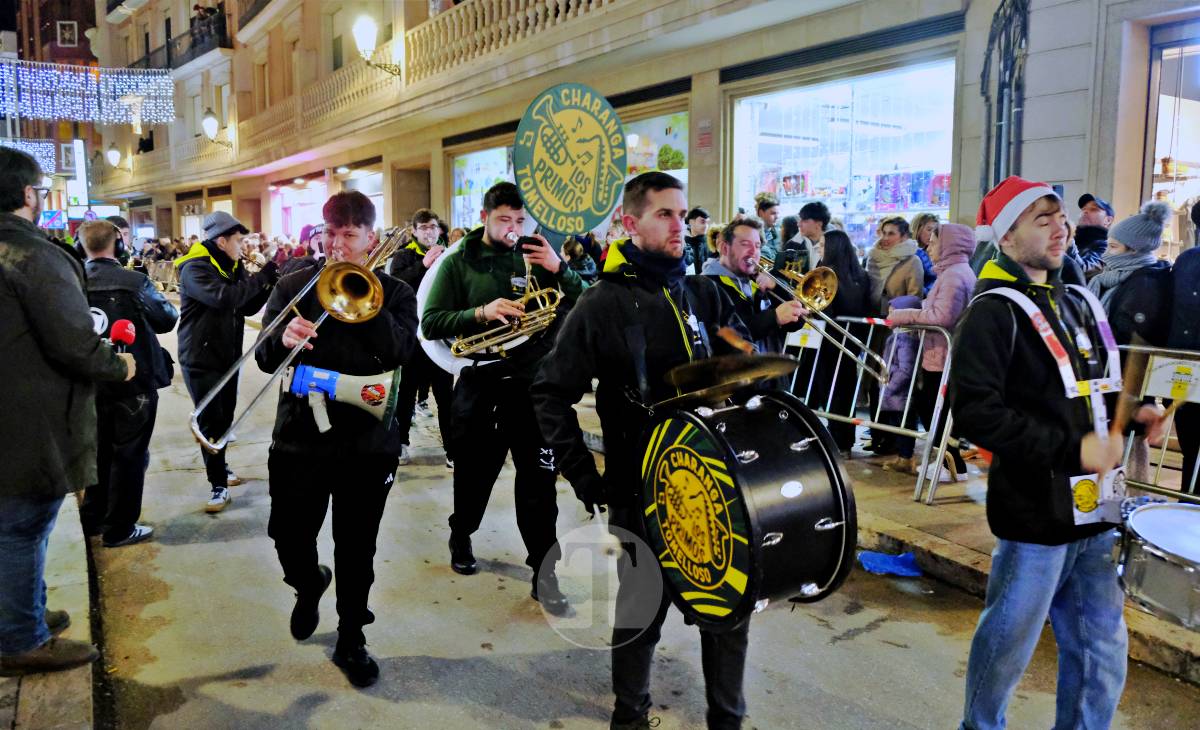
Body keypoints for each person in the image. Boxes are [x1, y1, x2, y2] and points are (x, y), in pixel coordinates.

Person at [532, 171, 748, 730]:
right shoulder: (600, 304)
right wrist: (586, 477)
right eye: (664, 215)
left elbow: (744, 362)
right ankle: (629, 718)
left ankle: (727, 720)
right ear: (631, 223)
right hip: (640, 490)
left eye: (683, 214)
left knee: (727, 611)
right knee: (638, 613)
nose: (681, 226)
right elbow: (551, 393)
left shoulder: (700, 291)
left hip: (711, 489)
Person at [950, 176, 1163, 730]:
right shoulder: (992, 311)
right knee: (1008, 643)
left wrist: (1135, 414)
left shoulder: (1080, 300)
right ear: (1007, 236)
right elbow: (976, 413)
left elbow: (1098, 387)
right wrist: (1073, 448)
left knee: (1101, 647)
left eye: (1060, 215)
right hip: (1035, 515)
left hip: (1097, 509)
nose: (1060, 226)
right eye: (1041, 218)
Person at [256, 191, 417, 688]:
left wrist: (365, 302)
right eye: (332, 234)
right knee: (288, 535)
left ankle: (353, 636)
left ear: (371, 238)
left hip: (367, 443)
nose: (338, 245)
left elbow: (399, 354)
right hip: (300, 438)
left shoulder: (396, 293)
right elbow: (263, 358)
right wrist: (281, 339)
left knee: (356, 546)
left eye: (350, 235)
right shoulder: (292, 286)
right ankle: (308, 584)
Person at [421, 181, 585, 616]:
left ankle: (544, 573)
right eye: (504, 220)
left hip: (534, 386)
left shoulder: (537, 254)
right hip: (481, 380)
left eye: (519, 220)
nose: (513, 229)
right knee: (475, 475)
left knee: (539, 484)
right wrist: (482, 312)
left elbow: (587, 303)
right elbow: (431, 322)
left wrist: (559, 267)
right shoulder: (458, 261)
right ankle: (462, 532)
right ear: (484, 218)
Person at [0, 147, 135, 676]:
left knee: (14, 525)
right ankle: (20, 639)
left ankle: (23, 614)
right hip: (30, 419)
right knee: (22, 527)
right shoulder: (34, 255)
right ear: (29, 195)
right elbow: (75, 342)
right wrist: (119, 366)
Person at [79, 220, 178, 547]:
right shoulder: (135, 281)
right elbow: (166, 319)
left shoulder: (70, 280)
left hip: (89, 381)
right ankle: (120, 527)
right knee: (130, 456)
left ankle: (93, 518)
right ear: (118, 244)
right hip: (133, 383)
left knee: (97, 452)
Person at [175, 211, 280, 513]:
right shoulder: (194, 268)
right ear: (221, 241)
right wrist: (260, 277)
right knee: (210, 421)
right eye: (239, 241)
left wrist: (268, 286)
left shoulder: (231, 266)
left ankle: (221, 467)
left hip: (228, 355)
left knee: (224, 419)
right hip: (200, 356)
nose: (243, 246)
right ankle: (217, 485)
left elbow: (244, 305)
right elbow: (224, 298)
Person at [1088, 201, 1174, 482]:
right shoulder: (1120, 280)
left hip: (1125, 394)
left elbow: (1137, 347)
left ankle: (1126, 515)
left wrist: (1141, 401)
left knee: (1128, 468)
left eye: (1113, 247)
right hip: (1115, 390)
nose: (1106, 253)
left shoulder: (1144, 285)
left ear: (1134, 250)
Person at [887, 223, 977, 480]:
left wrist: (903, 315)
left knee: (933, 407)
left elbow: (942, 315)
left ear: (949, 245)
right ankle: (951, 463)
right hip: (942, 353)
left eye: (935, 242)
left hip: (943, 355)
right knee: (938, 408)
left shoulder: (953, 276)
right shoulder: (955, 272)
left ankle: (951, 464)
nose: (929, 246)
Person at [386, 208, 454, 468]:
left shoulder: (449, 255)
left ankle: (452, 448)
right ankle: (401, 442)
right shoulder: (403, 256)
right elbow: (396, 285)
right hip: (412, 338)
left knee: (446, 397)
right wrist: (423, 265)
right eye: (423, 227)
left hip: (440, 336)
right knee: (406, 393)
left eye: (433, 227)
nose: (429, 231)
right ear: (413, 231)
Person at [804, 229, 870, 453]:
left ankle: (835, 440)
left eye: (822, 245)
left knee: (829, 391)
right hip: (851, 340)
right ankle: (845, 441)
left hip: (828, 341)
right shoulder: (860, 275)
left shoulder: (826, 276)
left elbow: (821, 309)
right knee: (845, 390)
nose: (819, 249)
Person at [701, 216, 806, 354]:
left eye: (757, 246)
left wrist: (777, 287)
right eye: (745, 244)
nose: (753, 252)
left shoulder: (757, 280)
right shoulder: (704, 286)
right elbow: (723, 336)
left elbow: (796, 322)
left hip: (770, 371)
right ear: (724, 248)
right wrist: (774, 317)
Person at [863, 215, 923, 455]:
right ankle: (877, 434)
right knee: (872, 381)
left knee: (894, 383)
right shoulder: (873, 258)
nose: (885, 239)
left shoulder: (912, 261)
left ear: (904, 236)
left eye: (891, 234)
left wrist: (897, 310)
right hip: (874, 328)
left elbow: (915, 295)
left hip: (896, 331)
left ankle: (894, 438)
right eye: (883, 232)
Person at [1169, 244, 1200, 493]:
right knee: (1190, 443)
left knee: (1190, 444)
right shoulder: (1187, 259)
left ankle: (1189, 501)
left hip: (1183, 363)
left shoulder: (1186, 259)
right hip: (1185, 364)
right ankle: (1188, 502)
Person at [910, 212, 939, 294]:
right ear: (917, 230)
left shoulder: (934, 249)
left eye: (935, 230)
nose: (932, 234)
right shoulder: (914, 253)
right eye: (929, 230)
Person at [683, 207, 711, 274]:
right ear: (691, 222)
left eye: (707, 222)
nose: (706, 226)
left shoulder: (711, 243)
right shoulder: (682, 243)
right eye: (702, 222)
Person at [754, 192, 780, 262]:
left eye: (778, 213)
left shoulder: (777, 233)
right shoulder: (752, 234)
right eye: (773, 213)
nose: (777, 217)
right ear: (761, 212)